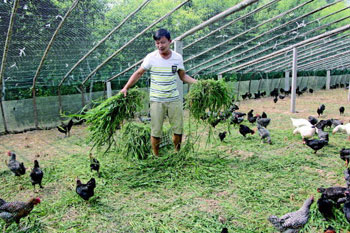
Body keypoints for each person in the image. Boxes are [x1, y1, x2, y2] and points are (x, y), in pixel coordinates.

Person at [120, 28, 197, 156]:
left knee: (178, 129)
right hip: (156, 100)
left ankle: (177, 153)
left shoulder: (177, 58)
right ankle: (156, 155)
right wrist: (126, 87)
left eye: (162, 42)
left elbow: (183, 76)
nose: (160, 46)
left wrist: (198, 83)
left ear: (170, 41)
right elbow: (138, 73)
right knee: (156, 131)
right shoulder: (151, 57)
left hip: (174, 99)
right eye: (157, 43)